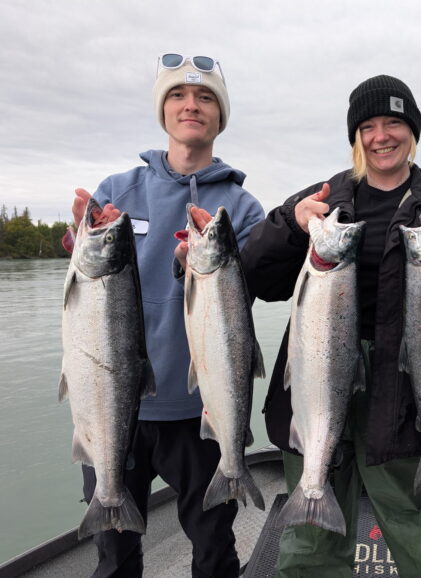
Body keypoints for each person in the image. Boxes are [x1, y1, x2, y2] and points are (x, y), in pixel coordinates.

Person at [238, 74, 421, 577]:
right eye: (369, 125)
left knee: (419, 530)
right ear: (356, 136)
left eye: (394, 123)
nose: (382, 136)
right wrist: (291, 224)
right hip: (318, 371)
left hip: (407, 384)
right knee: (311, 545)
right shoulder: (323, 199)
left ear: (412, 131)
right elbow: (255, 277)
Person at [70, 54, 265, 577]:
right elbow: (84, 282)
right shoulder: (118, 190)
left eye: (205, 98)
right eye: (178, 95)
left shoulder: (242, 209)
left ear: (219, 116)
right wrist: (81, 234)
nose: (191, 106)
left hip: (199, 410)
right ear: (163, 110)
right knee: (113, 556)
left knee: (213, 549)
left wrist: (195, 269)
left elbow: (244, 294)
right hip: (114, 407)